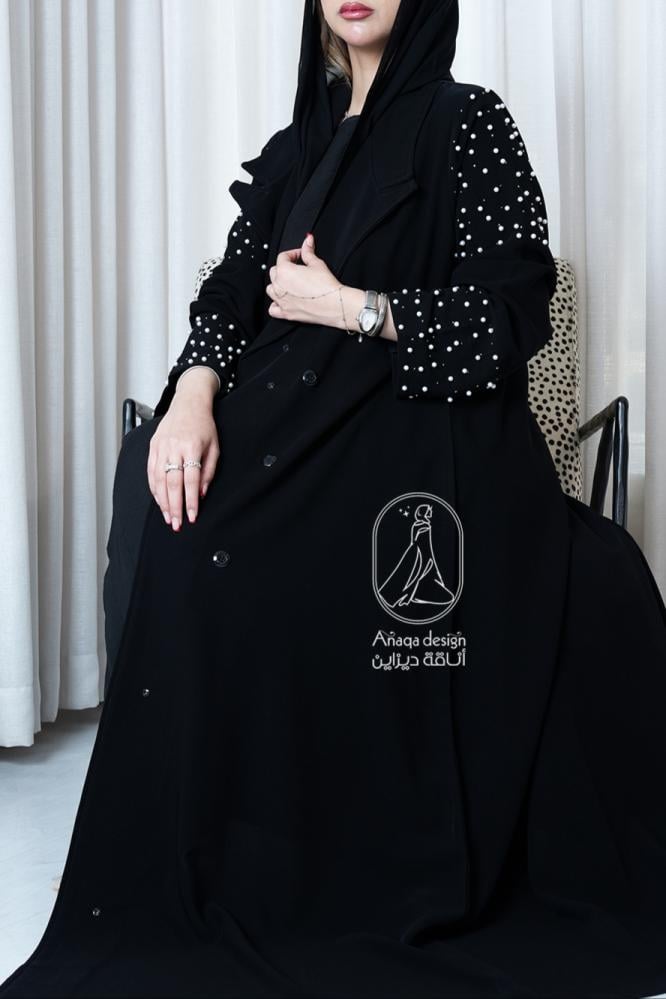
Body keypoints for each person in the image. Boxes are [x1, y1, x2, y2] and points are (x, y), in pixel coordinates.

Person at [3, 0, 666, 995]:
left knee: (295, 562)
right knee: (173, 511)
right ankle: (197, 852)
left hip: (426, 439)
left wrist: (353, 307)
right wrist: (192, 393)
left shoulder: (469, 121)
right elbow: (232, 292)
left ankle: (321, 869)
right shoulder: (296, 148)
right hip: (291, 422)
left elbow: (510, 318)